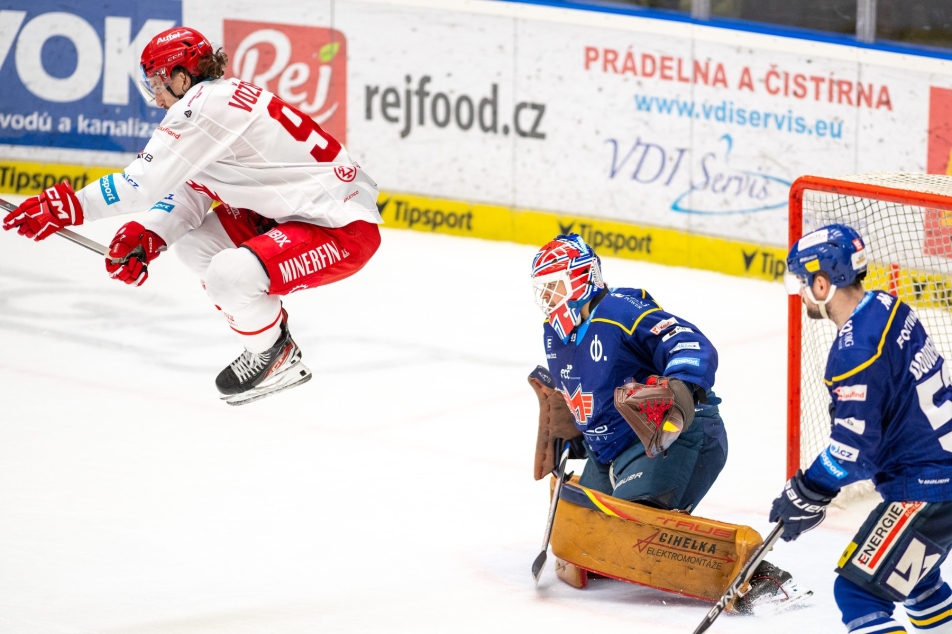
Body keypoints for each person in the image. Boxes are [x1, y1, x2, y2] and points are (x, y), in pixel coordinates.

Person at [2, 26, 382, 406]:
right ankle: (264, 337)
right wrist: (152, 232)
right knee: (195, 246)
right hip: (295, 209)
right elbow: (195, 183)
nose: (155, 98)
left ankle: (275, 352)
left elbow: (140, 185)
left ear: (182, 77)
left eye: (157, 83)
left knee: (228, 279)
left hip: (342, 226)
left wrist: (64, 207)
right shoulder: (215, 99)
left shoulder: (199, 109)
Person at [530, 233, 796, 608]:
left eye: (553, 287)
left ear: (581, 279)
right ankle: (636, 501)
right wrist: (576, 432)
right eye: (541, 290)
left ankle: (758, 575)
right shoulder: (553, 334)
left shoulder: (621, 311)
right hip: (611, 454)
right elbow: (591, 391)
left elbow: (688, 341)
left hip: (676, 435)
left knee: (634, 534)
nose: (546, 299)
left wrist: (684, 387)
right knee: (582, 534)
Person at [770, 224, 952, 633]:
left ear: (822, 283)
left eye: (802, 282)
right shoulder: (888, 306)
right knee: (919, 582)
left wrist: (808, 488)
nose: (800, 293)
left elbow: (853, 453)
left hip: (927, 488)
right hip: (941, 472)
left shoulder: (854, 353)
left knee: (858, 594)